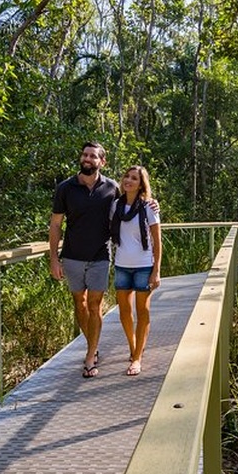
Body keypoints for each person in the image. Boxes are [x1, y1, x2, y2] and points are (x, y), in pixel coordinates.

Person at [49, 141, 118, 378]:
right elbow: (56, 224)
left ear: (102, 161)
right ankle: (93, 345)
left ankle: (90, 357)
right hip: (72, 256)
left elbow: (131, 206)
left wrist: (152, 203)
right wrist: (54, 259)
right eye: (85, 155)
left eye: (92, 156)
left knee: (95, 304)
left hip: (100, 255)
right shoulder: (65, 188)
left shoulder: (112, 188)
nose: (87, 159)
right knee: (79, 303)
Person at [109, 165, 161, 376]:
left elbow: (158, 242)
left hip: (143, 265)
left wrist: (156, 271)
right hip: (122, 265)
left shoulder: (148, 207)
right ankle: (133, 348)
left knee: (143, 311)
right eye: (126, 177)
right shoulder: (115, 206)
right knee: (123, 312)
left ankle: (137, 358)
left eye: (134, 178)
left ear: (141, 184)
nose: (128, 181)